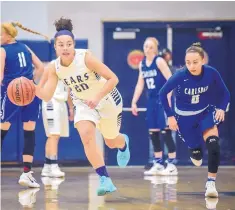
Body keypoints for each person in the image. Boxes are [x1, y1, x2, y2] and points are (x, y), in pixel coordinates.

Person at [36, 17, 130, 196]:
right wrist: (33, 89)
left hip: (106, 98)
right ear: (55, 47)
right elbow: (47, 94)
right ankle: (104, 178)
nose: (65, 48)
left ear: (73, 45)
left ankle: (123, 143)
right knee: (87, 136)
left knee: (110, 141)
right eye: (61, 45)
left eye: (68, 44)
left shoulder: (85, 57)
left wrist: (97, 96)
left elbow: (113, 79)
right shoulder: (54, 68)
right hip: (83, 103)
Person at [159, 42, 230, 197]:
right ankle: (195, 151)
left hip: (205, 113)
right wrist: (170, 116)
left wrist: (221, 108)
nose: (191, 66)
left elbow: (225, 93)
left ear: (203, 60)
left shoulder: (211, 73)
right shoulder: (179, 76)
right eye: (188, 62)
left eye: (195, 62)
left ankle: (211, 183)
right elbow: (162, 94)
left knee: (213, 146)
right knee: (197, 156)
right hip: (184, 119)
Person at [0, 22, 49, 187]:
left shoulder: (2, 50)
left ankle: (27, 174)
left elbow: (0, 77)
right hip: (31, 92)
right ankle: (26, 173)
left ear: (9, 34)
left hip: (10, 93)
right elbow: (41, 67)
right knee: (30, 132)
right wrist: (29, 83)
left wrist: (14, 86)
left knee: (2, 130)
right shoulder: (26, 47)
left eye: (0, 34)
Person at [131, 37, 177, 176]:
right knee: (154, 132)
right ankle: (158, 163)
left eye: (151, 47)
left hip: (162, 99)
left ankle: (172, 163)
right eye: (146, 46)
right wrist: (134, 101)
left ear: (156, 49)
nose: (148, 49)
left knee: (167, 131)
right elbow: (140, 84)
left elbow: (171, 80)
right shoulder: (142, 64)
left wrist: (169, 98)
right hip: (151, 100)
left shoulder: (159, 61)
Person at [40, 64, 74, 178]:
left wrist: (71, 107)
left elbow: (68, 90)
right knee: (53, 134)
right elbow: (40, 86)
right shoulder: (51, 66)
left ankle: (47, 166)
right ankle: (53, 166)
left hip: (61, 103)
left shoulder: (70, 68)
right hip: (51, 102)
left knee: (55, 135)